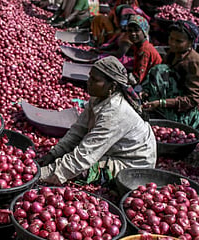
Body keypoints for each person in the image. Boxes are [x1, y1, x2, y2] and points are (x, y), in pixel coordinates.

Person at [38, 56, 156, 185]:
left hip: (131, 165)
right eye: (90, 77)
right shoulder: (98, 98)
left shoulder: (116, 112)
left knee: (81, 171)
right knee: (71, 159)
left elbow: (86, 154)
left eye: (95, 80)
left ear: (113, 85)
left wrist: (43, 174)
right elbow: (78, 131)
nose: (88, 82)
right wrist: (54, 154)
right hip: (111, 150)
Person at [142, 20, 199, 131]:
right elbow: (160, 77)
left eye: (179, 41)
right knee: (158, 70)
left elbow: (192, 100)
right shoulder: (173, 53)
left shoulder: (195, 62)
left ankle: (176, 119)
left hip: (189, 109)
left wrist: (161, 103)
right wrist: (146, 91)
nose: (172, 43)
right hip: (174, 96)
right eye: (171, 39)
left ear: (190, 42)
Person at [126, 15, 162, 85]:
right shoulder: (138, 46)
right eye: (130, 31)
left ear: (144, 32)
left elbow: (139, 77)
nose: (133, 33)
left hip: (152, 82)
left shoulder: (145, 50)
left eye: (136, 30)